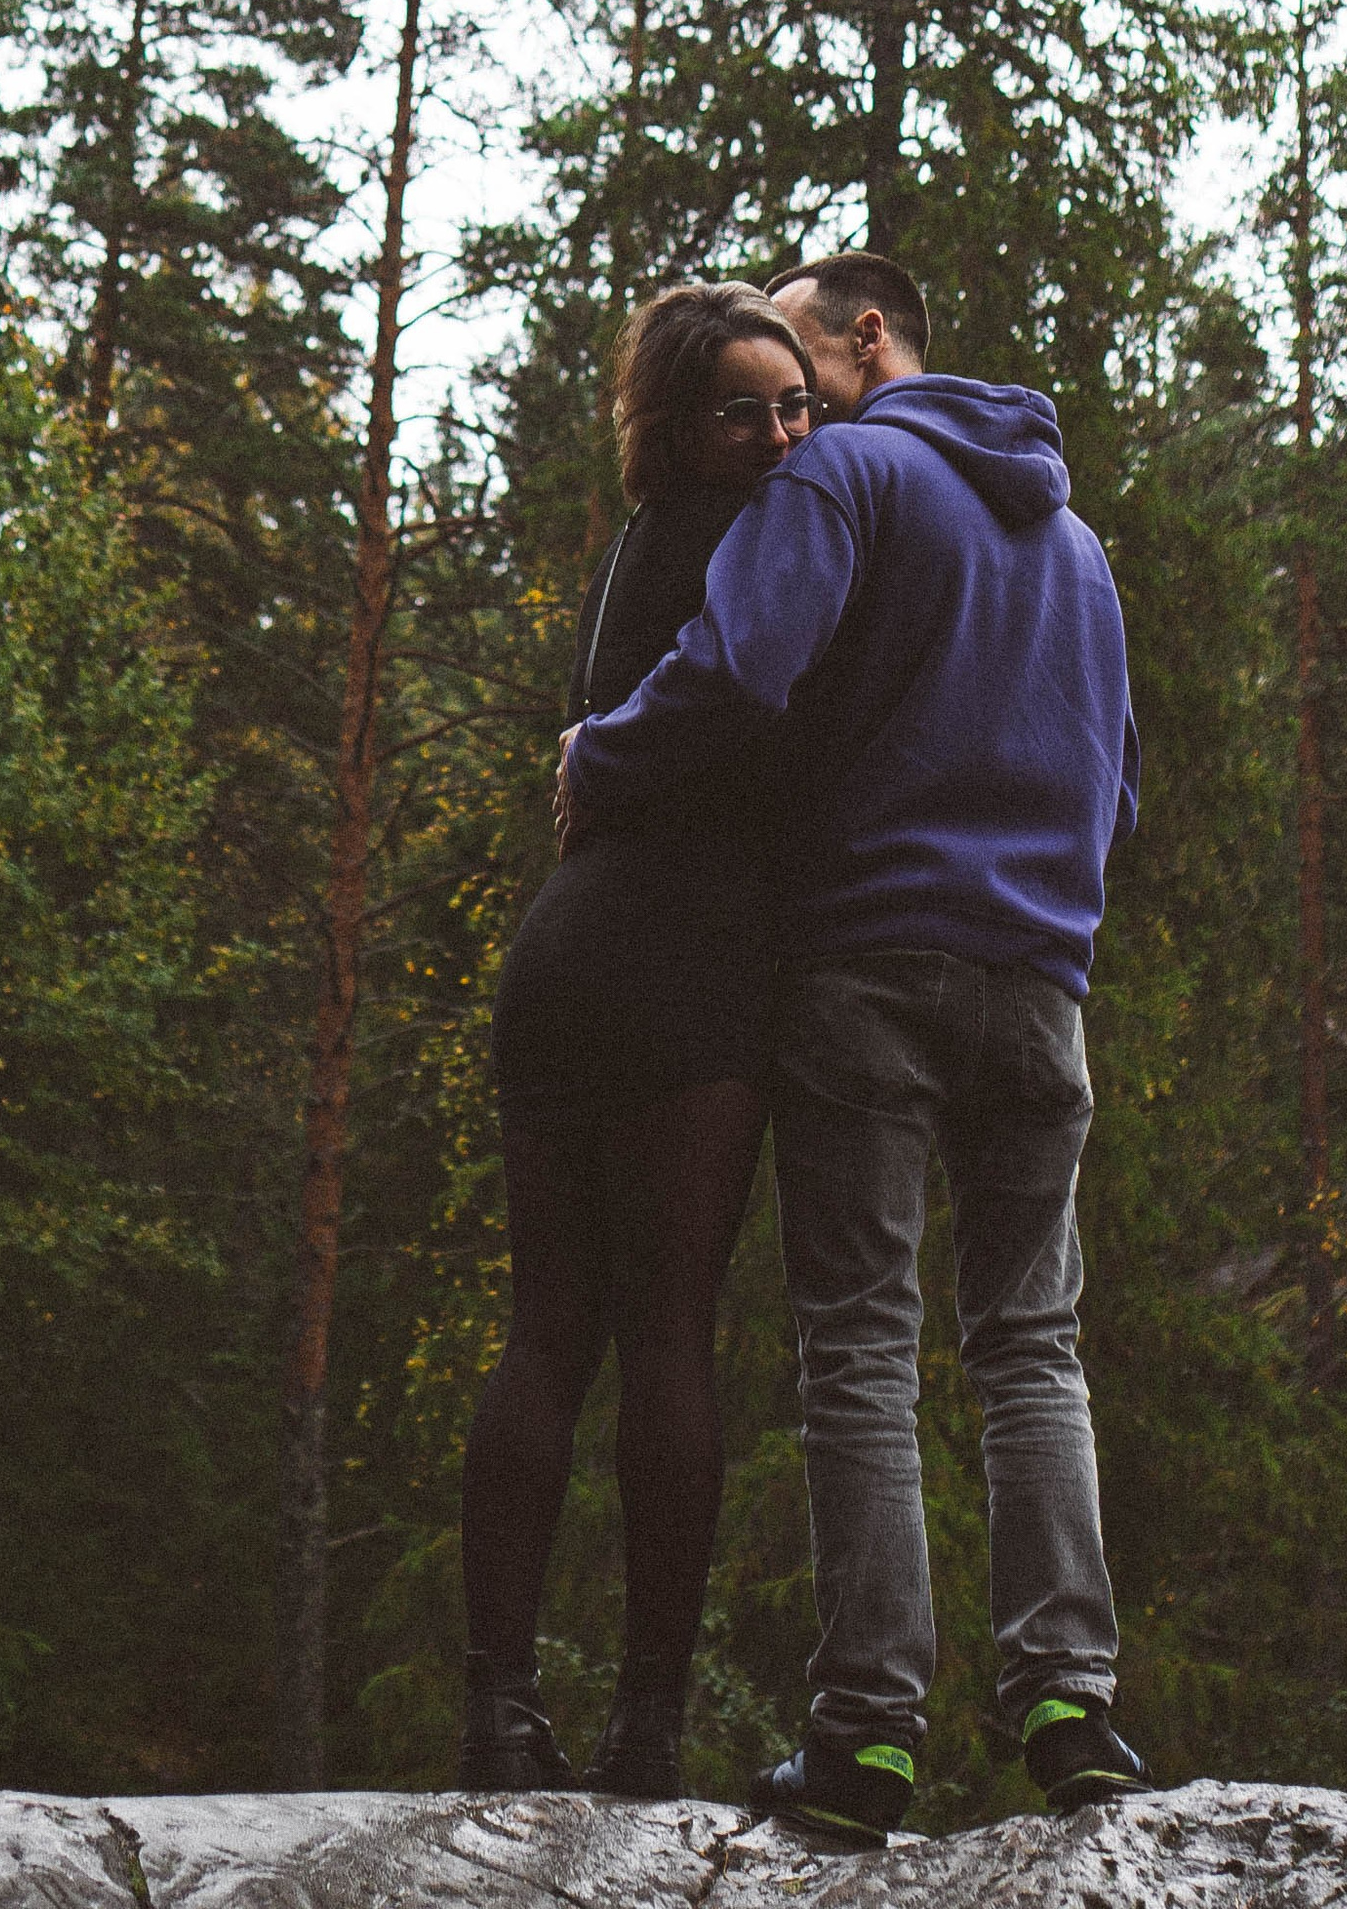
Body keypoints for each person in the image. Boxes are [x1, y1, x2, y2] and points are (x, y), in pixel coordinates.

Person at [558, 249, 1148, 1845]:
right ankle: (1069, 1708)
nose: (790, 410)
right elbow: (1120, 791)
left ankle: (867, 1739)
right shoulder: (1078, 545)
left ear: (867, 335)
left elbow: (741, 667)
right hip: (1041, 982)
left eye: (804, 362)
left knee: (863, 1349)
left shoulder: (846, 480)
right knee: (1032, 1338)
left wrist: (596, 756)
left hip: (869, 968)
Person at [457, 281, 818, 1801]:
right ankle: (647, 1728)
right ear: (683, 429)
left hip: (566, 947)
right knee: (664, 1327)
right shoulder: (772, 546)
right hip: (682, 959)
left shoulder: (630, 553)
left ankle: (497, 1711)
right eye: (749, 409)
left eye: (798, 402)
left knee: (551, 1327)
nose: (787, 431)